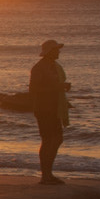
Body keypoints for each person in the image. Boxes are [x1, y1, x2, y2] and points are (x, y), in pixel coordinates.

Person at [29, 39, 70, 185]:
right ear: (49, 52)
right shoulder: (39, 68)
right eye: (56, 49)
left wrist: (61, 88)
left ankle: (48, 174)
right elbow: (33, 89)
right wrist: (57, 88)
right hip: (44, 108)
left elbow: (55, 86)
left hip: (54, 107)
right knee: (48, 141)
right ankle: (45, 175)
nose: (58, 52)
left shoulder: (54, 66)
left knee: (57, 139)